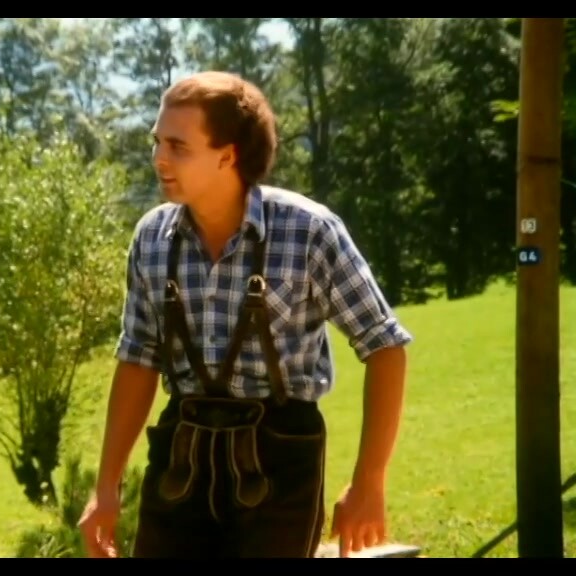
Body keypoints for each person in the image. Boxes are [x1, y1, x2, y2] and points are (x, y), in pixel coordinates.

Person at [78, 70, 413, 559]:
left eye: (178, 146)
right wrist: (106, 487)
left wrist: (369, 483)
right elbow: (137, 360)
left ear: (227, 155)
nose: (159, 158)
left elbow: (385, 347)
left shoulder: (308, 230)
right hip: (180, 461)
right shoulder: (152, 237)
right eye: (157, 142)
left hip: (279, 462)